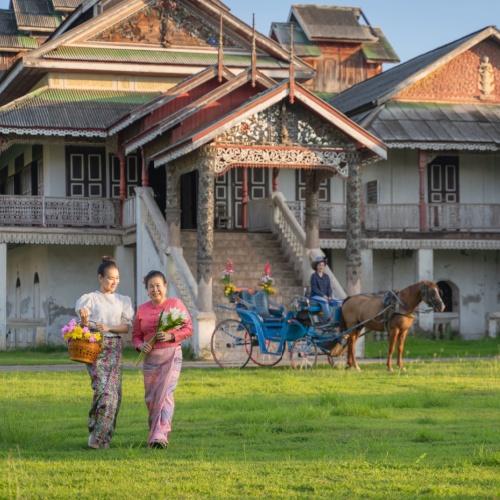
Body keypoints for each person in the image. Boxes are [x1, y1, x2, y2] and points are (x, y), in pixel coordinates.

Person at [75, 256, 134, 449]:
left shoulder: (123, 300)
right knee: (103, 392)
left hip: (114, 350)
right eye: (110, 278)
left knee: (115, 395)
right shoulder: (90, 298)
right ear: (100, 278)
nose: (114, 282)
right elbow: (83, 323)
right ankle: (96, 436)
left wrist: (109, 327)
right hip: (95, 349)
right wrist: (84, 320)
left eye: (117, 278)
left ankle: (102, 437)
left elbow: (126, 327)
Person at [132, 270, 193, 448]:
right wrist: (139, 346)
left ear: (165, 286)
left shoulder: (175, 304)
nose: (155, 289)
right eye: (151, 286)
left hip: (171, 355)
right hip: (150, 359)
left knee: (165, 394)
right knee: (151, 398)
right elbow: (135, 336)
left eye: (158, 285)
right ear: (147, 290)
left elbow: (188, 329)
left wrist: (171, 336)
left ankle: (161, 435)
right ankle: (154, 432)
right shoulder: (142, 310)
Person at [310, 256, 334, 323]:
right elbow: (314, 288)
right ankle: (328, 319)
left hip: (325, 297)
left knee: (334, 301)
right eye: (319, 265)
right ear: (316, 266)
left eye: (323, 265)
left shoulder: (326, 276)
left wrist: (329, 296)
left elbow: (329, 288)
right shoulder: (313, 276)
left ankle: (333, 318)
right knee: (324, 301)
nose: (321, 267)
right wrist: (323, 295)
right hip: (315, 297)